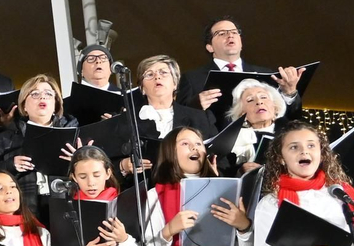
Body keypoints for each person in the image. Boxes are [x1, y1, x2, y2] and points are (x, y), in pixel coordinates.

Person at [175, 16, 304, 131]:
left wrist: (290, 93)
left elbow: (292, 120)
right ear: (210, 47)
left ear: (241, 42)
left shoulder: (265, 74)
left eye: (234, 32)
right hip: (218, 153)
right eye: (221, 33)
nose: (230, 36)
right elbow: (178, 122)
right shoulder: (192, 79)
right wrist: (195, 107)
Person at [0, 74, 79, 220]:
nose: (42, 97)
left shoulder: (73, 134)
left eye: (48, 94)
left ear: (56, 104)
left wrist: (79, 161)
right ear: (24, 106)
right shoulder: (7, 138)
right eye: (35, 94)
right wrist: (10, 164)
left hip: (66, 206)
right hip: (25, 209)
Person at [114, 55, 211, 178]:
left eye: (163, 73)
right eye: (149, 74)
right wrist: (124, 165)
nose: (157, 77)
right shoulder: (126, 120)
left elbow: (217, 157)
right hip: (144, 189)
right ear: (142, 88)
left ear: (175, 83)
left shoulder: (199, 117)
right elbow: (109, 163)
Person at [223, 78, 288, 174]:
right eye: (250, 100)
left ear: (275, 106)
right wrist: (240, 171)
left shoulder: (289, 133)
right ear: (242, 113)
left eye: (263, 97)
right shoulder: (231, 142)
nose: (259, 102)